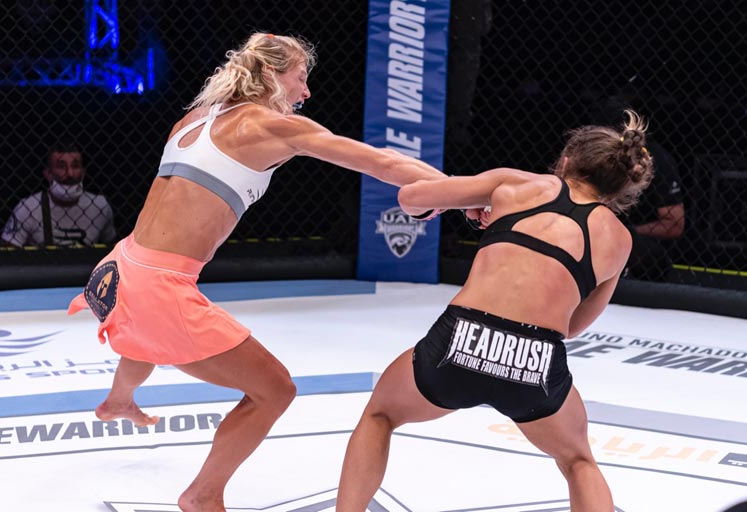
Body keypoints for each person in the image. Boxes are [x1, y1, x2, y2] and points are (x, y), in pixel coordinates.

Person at [66, 32, 445, 512]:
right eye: (300, 77)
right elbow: (382, 162)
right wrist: (464, 194)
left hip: (118, 268)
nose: (306, 91)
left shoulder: (194, 119)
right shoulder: (270, 126)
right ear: (270, 74)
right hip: (156, 286)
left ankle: (119, 399)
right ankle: (202, 495)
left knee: (147, 330)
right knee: (275, 390)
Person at [336, 110, 654, 511]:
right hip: (535, 359)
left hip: (461, 340)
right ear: (619, 187)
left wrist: (471, 203)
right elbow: (573, 327)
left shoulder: (518, 183)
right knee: (578, 461)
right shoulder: (620, 239)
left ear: (566, 161)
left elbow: (410, 198)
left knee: (380, 415)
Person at [0, 143, 117, 248]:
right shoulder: (28, 208)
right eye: (61, 166)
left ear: (83, 172)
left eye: (75, 166)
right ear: (48, 174)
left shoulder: (100, 206)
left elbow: (113, 247)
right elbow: (7, 251)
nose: (70, 173)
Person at [621, 138, 684, 281]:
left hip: (646, 249)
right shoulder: (598, 153)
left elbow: (675, 225)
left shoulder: (657, 159)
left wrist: (625, 231)